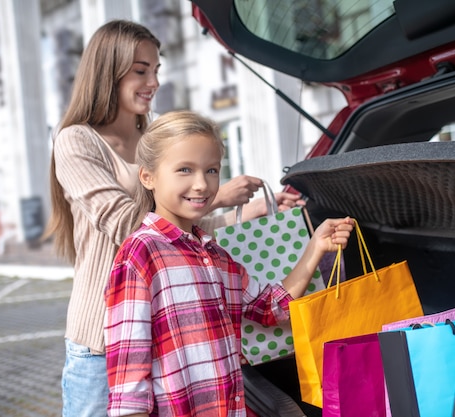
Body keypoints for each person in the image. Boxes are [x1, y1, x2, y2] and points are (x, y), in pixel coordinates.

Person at [43, 20, 304, 417]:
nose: (154, 81)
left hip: (168, 333)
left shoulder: (153, 135)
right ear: (107, 72)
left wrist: (249, 213)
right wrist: (218, 198)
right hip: (102, 338)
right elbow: (127, 224)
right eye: (141, 70)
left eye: (157, 69)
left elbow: (182, 232)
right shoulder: (77, 140)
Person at [104, 110, 354, 417]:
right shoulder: (139, 256)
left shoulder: (217, 257)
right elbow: (129, 387)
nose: (202, 185)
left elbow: (270, 307)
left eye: (211, 170)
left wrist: (315, 246)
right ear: (148, 176)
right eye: (185, 169)